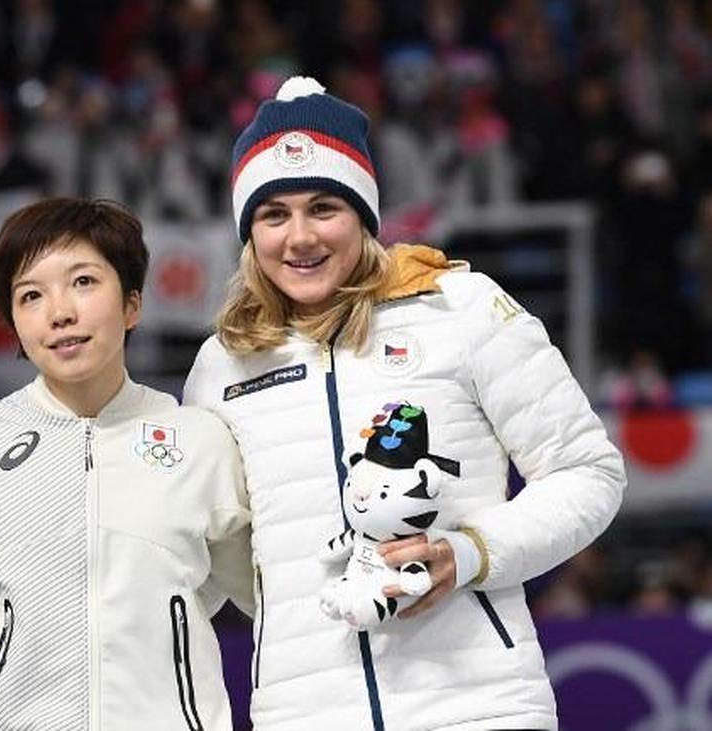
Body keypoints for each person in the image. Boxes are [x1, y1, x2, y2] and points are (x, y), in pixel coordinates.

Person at [183, 77, 626, 730]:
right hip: (302, 714)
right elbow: (224, 556)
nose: (300, 237)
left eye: (324, 207)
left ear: (364, 215)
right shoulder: (221, 364)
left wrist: (469, 552)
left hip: (480, 707)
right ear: (250, 233)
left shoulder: (460, 308)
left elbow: (589, 471)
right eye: (274, 214)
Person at [0, 197, 253, 731]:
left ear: (132, 304)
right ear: (13, 323)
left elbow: (276, 600)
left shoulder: (201, 440)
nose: (60, 312)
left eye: (83, 282)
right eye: (31, 295)